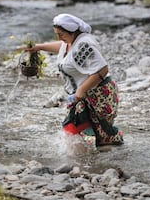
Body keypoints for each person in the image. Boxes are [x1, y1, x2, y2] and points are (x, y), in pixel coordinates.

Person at [24, 13, 123, 148]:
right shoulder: (69, 42)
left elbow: (103, 69)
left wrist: (82, 89)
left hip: (99, 94)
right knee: (76, 130)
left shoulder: (84, 45)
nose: (59, 37)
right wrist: (39, 47)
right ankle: (85, 161)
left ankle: (92, 161)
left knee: (98, 132)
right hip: (82, 95)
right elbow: (62, 47)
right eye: (56, 34)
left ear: (72, 31)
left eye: (61, 34)